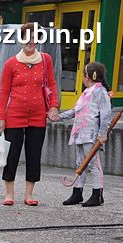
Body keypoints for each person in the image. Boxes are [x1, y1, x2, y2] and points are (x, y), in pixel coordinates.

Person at [0, 22, 59, 207]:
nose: (30, 41)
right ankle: (9, 194)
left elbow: (52, 85)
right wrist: (1, 117)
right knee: (12, 155)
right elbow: (4, 91)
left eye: (34, 37)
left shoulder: (46, 60)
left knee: (34, 154)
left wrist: (53, 106)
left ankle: (29, 195)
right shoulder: (11, 63)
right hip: (14, 115)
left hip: (38, 116)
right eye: (26, 37)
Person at [56, 62, 112, 208]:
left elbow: (106, 114)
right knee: (80, 163)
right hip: (80, 132)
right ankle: (77, 192)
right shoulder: (87, 92)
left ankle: (97, 194)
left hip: (92, 133)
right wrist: (59, 116)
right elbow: (76, 111)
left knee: (94, 164)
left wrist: (102, 134)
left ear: (87, 76)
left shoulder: (100, 92)